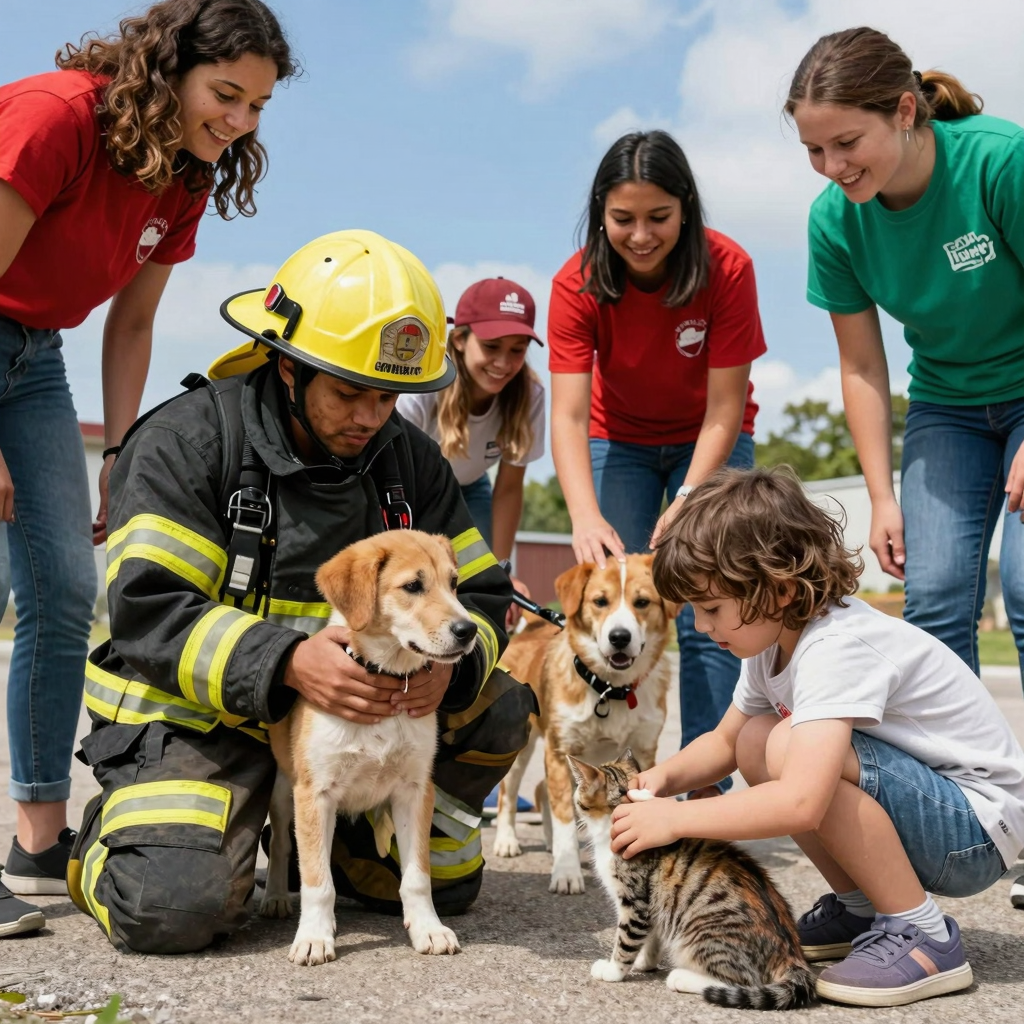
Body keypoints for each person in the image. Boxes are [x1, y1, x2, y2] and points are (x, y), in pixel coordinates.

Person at [60, 229, 535, 955]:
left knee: (497, 715)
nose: (370, 417)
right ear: (288, 365)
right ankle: (110, 844)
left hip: (360, 723)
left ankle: (356, 848)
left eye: (389, 396)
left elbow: (486, 594)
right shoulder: (187, 443)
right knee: (169, 906)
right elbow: (149, 610)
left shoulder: (409, 461)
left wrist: (450, 671)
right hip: (201, 715)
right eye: (349, 392)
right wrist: (285, 661)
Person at [0, 0, 296, 940]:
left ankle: (36, 841)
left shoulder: (183, 174)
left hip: (33, 357)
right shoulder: (55, 118)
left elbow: (131, 322)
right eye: (226, 94)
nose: (239, 121)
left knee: (62, 589)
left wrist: (122, 452)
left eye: (257, 106)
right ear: (168, 70)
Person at [609, 466, 1024, 1007]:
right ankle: (860, 910)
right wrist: (660, 780)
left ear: (778, 589)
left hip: (975, 831)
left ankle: (923, 934)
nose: (702, 627)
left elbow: (802, 801)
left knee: (787, 747)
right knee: (756, 739)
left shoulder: (835, 645)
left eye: (711, 609)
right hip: (940, 814)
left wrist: (675, 819)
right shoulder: (769, 643)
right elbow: (726, 742)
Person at [785, 27, 1024, 680]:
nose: (832, 166)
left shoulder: (1000, 161)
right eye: (814, 150)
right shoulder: (834, 222)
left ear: (905, 110)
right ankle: (956, 752)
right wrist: (881, 496)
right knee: (935, 600)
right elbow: (862, 366)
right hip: (947, 407)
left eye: (847, 142)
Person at [547, 129, 766, 796]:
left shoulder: (727, 267)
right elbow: (568, 416)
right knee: (616, 602)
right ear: (600, 214)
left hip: (712, 438)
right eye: (623, 219)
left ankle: (704, 790)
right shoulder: (576, 282)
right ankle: (614, 789)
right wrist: (584, 515)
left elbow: (725, 406)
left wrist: (691, 497)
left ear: (686, 208)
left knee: (709, 610)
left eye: (658, 217)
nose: (640, 236)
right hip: (619, 441)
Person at [397, 277, 545, 624]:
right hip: (409, 489)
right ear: (460, 340)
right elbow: (393, 471)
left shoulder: (530, 396)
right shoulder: (424, 385)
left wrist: (502, 571)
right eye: (491, 346)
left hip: (470, 488)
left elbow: (509, 489)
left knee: (482, 580)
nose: (504, 362)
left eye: (517, 350)